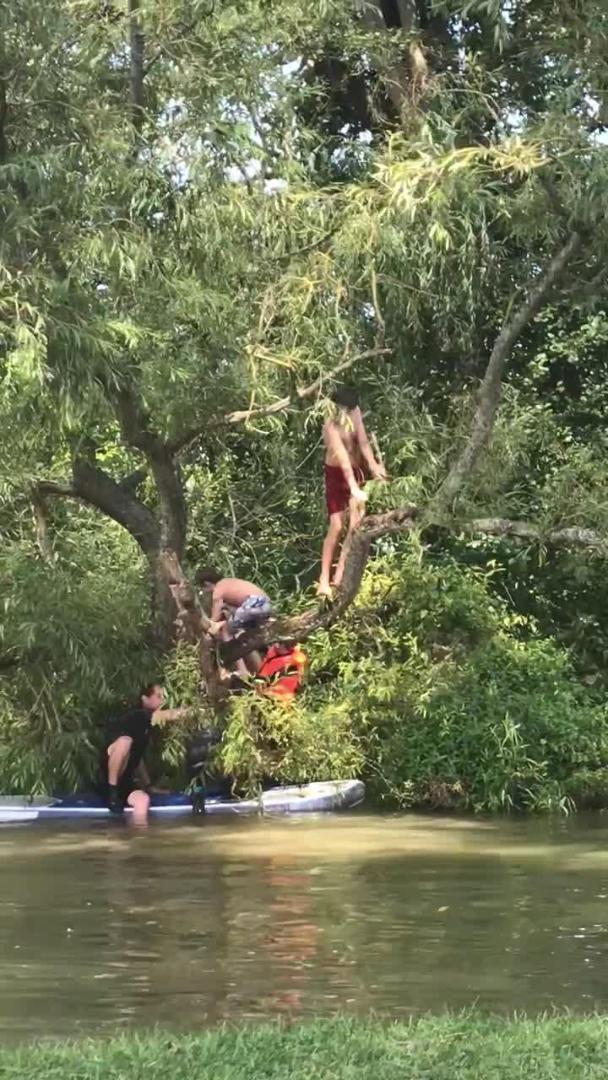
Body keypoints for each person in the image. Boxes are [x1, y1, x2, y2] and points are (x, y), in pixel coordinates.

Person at [318, 386, 387, 597]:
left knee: (356, 525)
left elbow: (364, 442)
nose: (349, 414)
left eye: (351, 410)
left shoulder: (354, 412)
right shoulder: (330, 424)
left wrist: (374, 466)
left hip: (356, 470)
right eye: (346, 410)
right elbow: (342, 457)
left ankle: (339, 576)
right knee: (337, 525)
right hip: (336, 473)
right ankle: (323, 580)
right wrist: (354, 488)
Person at [100, 682, 188, 821]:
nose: (163, 700)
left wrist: (148, 786)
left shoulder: (144, 728)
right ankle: (112, 792)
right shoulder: (138, 715)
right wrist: (194, 711)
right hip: (108, 782)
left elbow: (137, 759)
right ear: (145, 699)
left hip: (125, 783)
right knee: (125, 742)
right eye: (159, 696)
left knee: (143, 800)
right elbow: (166, 715)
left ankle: (138, 838)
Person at [196, 568, 273, 679]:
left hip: (254, 603)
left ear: (207, 584)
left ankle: (242, 669)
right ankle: (262, 671)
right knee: (245, 636)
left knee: (229, 628)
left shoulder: (219, 589)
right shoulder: (229, 583)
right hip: (265, 604)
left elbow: (215, 617)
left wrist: (213, 624)